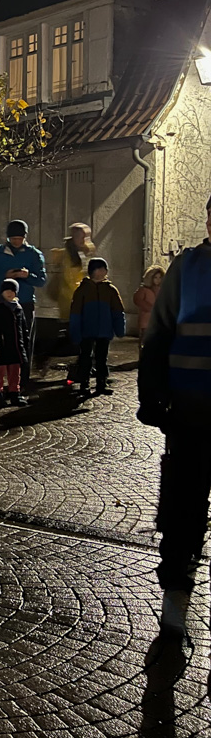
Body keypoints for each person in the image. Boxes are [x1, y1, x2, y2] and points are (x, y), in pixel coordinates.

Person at [138, 195, 211, 637]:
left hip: (190, 408)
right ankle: (175, 601)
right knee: (184, 507)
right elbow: (160, 334)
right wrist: (153, 397)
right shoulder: (189, 267)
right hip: (190, 412)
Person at [0, 220, 47, 381]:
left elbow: (41, 280)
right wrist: (5, 276)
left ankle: (21, 377)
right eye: (13, 238)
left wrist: (28, 276)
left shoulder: (34, 254)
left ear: (25, 237)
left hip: (24, 302)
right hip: (0, 302)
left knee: (23, 340)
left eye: (19, 238)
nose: (16, 241)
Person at [67, 257, 125, 396]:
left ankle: (101, 383)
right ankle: (84, 384)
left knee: (102, 358)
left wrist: (119, 328)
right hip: (87, 330)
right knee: (85, 357)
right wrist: (75, 331)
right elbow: (75, 312)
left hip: (104, 330)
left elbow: (117, 310)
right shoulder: (82, 289)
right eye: (99, 269)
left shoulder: (110, 290)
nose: (102, 272)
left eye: (104, 269)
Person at [0, 280, 30, 406]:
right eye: (7, 291)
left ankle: (14, 393)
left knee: (15, 371)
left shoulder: (18, 307)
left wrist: (24, 344)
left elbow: (23, 328)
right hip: (1, 345)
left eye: (12, 291)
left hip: (15, 345)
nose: (10, 293)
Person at [47, 223, 96, 337]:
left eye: (87, 237)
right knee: (71, 324)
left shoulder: (83, 252)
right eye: (82, 237)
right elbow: (70, 278)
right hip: (70, 296)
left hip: (79, 295)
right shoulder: (68, 255)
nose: (85, 240)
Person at [134, 265, 165, 340]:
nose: (158, 280)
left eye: (160, 277)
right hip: (146, 320)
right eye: (155, 277)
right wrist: (151, 308)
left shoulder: (163, 290)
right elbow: (138, 300)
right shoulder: (144, 290)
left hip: (159, 320)